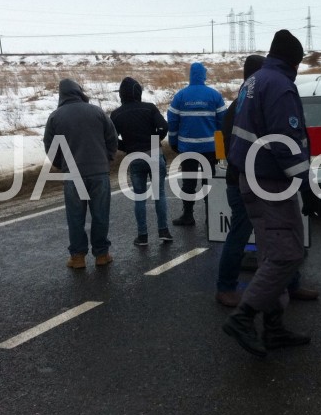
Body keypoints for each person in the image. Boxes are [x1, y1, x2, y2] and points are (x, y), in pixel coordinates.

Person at [222, 29, 318, 357]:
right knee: (286, 254)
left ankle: (274, 327)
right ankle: (244, 317)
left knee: (271, 253)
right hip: (270, 182)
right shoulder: (279, 86)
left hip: (250, 177)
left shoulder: (254, 81)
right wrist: (306, 185)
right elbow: (285, 142)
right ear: (293, 61)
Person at [43, 78, 118, 268]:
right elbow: (112, 137)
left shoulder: (55, 117)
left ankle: (78, 257)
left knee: (75, 217)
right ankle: (102, 254)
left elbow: (50, 146)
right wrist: (107, 157)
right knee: (100, 214)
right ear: (78, 91)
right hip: (99, 171)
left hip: (72, 174)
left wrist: (62, 164)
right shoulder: (96, 111)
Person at [110, 76, 173, 246]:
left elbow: (111, 138)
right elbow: (164, 127)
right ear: (138, 92)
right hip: (154, 154)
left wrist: (126, 147)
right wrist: (154, 141)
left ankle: (143, 235)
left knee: (139, 197)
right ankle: (163, 231)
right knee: (159, 194)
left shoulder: (116, 114)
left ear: (121, 94)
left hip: (134, 156)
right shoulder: (149, 108)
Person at [167, 62, 227, 226]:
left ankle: (188, 215)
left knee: (188, 182)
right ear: (204, 76)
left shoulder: (181, 96)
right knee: (209, 181)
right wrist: (221, 147)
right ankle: (211, 217)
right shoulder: (214, 95)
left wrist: (173, 142)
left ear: (190, 75)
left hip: (188, 148)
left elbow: (172, 121)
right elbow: (223, 122)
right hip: (210, 149)